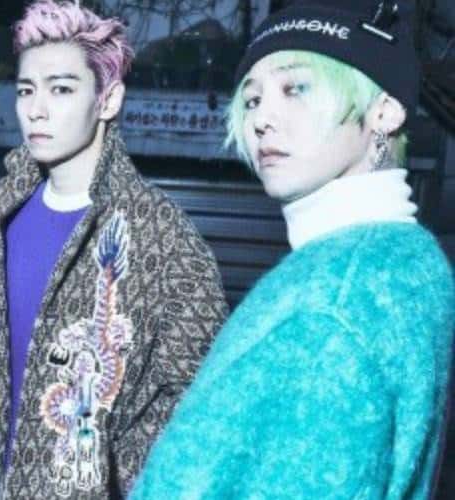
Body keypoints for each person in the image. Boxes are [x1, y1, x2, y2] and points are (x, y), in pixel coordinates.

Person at [130, 1, 455, 498]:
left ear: (384, 110)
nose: (262, 119)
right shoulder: (404, 262)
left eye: (296, 88)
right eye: (252, 99)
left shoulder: (331, 304)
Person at [0, 1, 227, 497]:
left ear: (108, 100)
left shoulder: (161, 233)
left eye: (61, 89)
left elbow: (200, 408)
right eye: (26, 90)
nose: (36, 109)